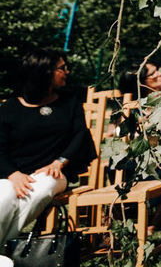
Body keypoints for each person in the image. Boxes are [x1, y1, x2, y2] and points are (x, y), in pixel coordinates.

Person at [0, 49, 95, 245]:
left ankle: (5, 244)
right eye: (61, 68)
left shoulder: (70, 100)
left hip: (53, 172)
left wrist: (60, 161)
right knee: (4, 196)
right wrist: (13, 174)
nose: (67, 71)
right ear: (45, 73)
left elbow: (81, 135)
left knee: (42, 189)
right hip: (14, 174)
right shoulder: (10, 108)